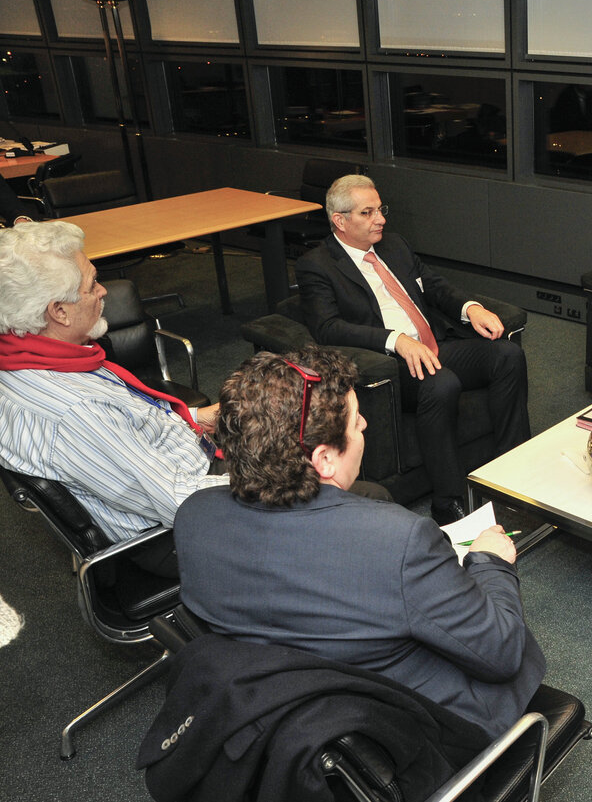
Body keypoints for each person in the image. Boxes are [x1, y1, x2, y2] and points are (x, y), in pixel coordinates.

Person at [173, 347, 545, 739]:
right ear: (324, 460)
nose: (365, 423)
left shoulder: (194, 517)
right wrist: (490, 563)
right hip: (410, 731)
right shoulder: (399, 542)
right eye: (355, 420)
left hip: (276, 717)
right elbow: (501, 655)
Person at [295, 174, 530, 526]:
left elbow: (434, 286)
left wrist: (471, 308)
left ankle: (511, 467)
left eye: (381, 209)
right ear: (340, 222)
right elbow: (327, 327)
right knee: (442, 383)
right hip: (389, 364)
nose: (381, 219)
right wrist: (395, 340)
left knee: (507, 356)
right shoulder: (317, 265)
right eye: (368, 212)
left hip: (435, 345)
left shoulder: (395, 245)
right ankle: (447, 500)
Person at [0, 221, 224, 575]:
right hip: (175, 533)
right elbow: (181, 501)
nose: (104, 291)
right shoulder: (78, 411)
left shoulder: (27, 360)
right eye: (92, 284)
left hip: (179, 471)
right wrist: (278, 481)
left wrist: (196, 419)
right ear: (59, 311)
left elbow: (124, 433)